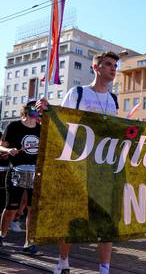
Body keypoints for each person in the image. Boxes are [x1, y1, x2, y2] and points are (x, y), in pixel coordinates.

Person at [38, 51, 124, 274]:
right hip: (77, 166)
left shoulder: (113, 99)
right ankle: (63, 261)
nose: (113, 68)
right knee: (73, 216)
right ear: (96, 68)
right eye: (108, 64)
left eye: (115, 65)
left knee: (106, 220)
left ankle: (104, 269)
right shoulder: (77, 93)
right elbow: (62, 122)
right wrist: (49, 111)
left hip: (104, 168)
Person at [0, 100, 41, 254]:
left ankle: (28, 243)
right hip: (16, 171)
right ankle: (1, 235)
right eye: (34, 109)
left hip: (35, 173)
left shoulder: (41, 129)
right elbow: (1, 145)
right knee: (11, 208)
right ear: (27, 110)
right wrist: (9, 150)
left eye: (38, 110)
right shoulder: (14, 126)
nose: (36, 112)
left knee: (31, 209)